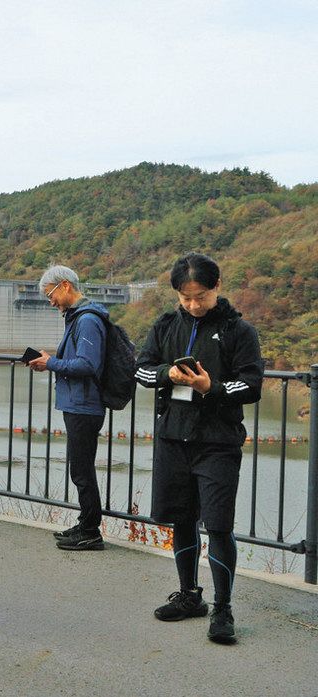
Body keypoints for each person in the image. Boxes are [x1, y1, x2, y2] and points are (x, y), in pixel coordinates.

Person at [135, 252, 263, 645]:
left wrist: (213, 388)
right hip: (173, 437)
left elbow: (252, 385)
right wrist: (166, 374)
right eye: (186, 297)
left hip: (217, 442)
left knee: (220, 525)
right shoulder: (166, 325)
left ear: (217, 287)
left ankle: (223, 609)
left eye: (201, 296)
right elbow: (141, 369)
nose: (193, 304)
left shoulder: (238, 330)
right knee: (182, 518)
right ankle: (190, 596)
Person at [28, 265, 108, 552]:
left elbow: (88, 365)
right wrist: (49, 363)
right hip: (77, 404)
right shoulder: (77, 318)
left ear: (64, 286)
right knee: (80, 468)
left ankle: (90, 532)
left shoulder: (86, 320)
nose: (50, 301)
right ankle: (85, 523)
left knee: (82, 470)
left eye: (50, 294)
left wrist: (51, 363)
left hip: (85, 406)